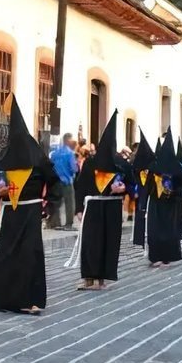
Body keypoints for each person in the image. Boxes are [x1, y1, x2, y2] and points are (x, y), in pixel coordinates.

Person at [0, 95, 56, 313]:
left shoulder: (38, 159)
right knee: (6, 254)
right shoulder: (2, 159)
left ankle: (28, 300)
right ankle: (4, 299)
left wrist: (47, 207)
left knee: (28, 255)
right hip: (9, 214)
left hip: (30, 214)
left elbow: (53, 183)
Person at [73, 112, 128, 290]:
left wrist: (122, 189)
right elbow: (80, 186)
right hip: (93, 207)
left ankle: (101, 279)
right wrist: (78, 208)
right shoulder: (90, 163)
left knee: (107, 242)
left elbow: (132, 183)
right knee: (90, 242)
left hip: (111, 208)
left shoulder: (119, 163)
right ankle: (88, 277)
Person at [146, 129, 182, 268]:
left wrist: (173, 191)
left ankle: (166, 257)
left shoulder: (177, 169)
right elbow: (146, 183)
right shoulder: (154, 167)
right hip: (157, 203)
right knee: (155, 231)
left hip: (169, 204)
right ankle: (156, 256)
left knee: (167, 231)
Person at [50, 134, 78, 230]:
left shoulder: (54, 154)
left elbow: (51, 167)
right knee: (69, 203)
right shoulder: (70, 153)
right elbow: (74, 169)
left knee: (56, 203)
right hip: (67, 181)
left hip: (56, 181)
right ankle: (68, 224)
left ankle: (56, 223)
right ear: (68, 141)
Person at [131, 135, 155, 248]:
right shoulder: (137, 168)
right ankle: (139, 237)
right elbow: (134, 180)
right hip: (140, 193)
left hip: (150, 194)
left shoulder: (153, 168)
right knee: (140, 213)